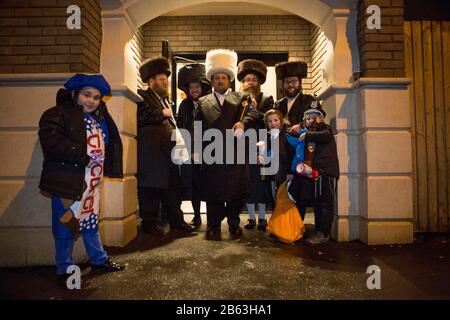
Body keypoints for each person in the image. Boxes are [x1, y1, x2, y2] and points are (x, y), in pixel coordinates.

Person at [38, 73, 125, 286]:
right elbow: (51, 142)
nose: (92, 101)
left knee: (90, 222)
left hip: (92, 184)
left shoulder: (100, 119)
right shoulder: (57, 114)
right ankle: (64, 269)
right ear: (75, 94)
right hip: (68, 182)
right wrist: (82, 157)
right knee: (66, 225)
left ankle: (98, 260)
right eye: (87, 95)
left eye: (96, 97)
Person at [195, 49, 257, 241]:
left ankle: (233, 224)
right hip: (211, 154)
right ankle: (213, 226)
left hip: (235, 153)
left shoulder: (242, 98)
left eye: (224, 77)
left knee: (235, 192)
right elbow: (197, 127)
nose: (220, 81)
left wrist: (243, 123)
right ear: (211, 81)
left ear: (229, 80)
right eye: (216, 78)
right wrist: (197, 150)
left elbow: (253, 114)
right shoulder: (202, 101)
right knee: (213, 192)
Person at [136, 56, 193, 236]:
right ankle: (149, 224)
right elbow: (142, 117)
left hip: (169, 154)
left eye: (167, 80)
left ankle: (177, 222)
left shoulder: (164, 99)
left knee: (173, 189)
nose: (166, 82)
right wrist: (162, 113)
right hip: (152, 154)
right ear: (150, 81)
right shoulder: (142, 96)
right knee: (150, 189)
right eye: (162, 79)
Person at [287, 104, 339, 244]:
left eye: (315, 117)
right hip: (313, 173)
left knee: (324, 204)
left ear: (322, 118)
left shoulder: (325, 129)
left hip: (325, 173)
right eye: (308, 117)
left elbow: (325, 136)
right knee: (316, 203)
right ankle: (316, 229)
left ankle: (324, 233)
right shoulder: (306, 131)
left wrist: (307, 135)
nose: (312, 120)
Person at [237, 59, 274, 232]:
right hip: (243, 146)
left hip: (261, 145)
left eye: (253, 79)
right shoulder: (237, 100)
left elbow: (267, 120)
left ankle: (262, 218)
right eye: (247, 80)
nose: (250, 82)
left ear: (258, 82)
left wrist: (255, 110)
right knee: (249, 183)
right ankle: (251, 218)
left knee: (261, 183)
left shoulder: (267, 98)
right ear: (243, 83)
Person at [176, 63, 211, 227]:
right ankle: (197, 216)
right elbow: (182, 128)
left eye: (197, 86)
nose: (194, 90)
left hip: (209, 151)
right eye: (191, 87)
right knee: (194, 185)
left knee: (209, 185)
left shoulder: (210, 103)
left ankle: (212, 219)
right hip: (190, 152)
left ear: (202, 87)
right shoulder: (184, 105)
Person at [274, 60, 318, 134]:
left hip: (304, 140)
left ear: (299, 83)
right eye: (287, 82)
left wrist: (301, 125)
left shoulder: (309, 99)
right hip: (283, 142)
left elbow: (317, 117)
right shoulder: (278, 104)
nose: (290, 84)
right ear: (283, 84)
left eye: (294, 81)